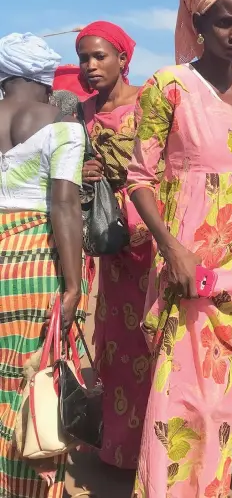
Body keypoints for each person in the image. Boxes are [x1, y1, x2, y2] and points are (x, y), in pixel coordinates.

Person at [127, 0, 232, 498]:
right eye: (223, 21)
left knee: (221, 402)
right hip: (186, 263)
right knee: (177, 396)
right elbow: (138, 178)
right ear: (197, 22)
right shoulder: (169, 87)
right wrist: (174, 251)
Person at [0, 33, 87, 498]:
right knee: (34, 378)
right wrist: (72, 286)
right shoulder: (62, 125)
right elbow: (64, 206)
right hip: (34, 264)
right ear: (45, 76)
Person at [75, 20, 153, 470]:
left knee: (152, 340)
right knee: (114, 345)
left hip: (152, 237)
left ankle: (149, 450)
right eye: (85, 57)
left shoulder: (149, 102)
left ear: (123, 59)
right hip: (112, 241)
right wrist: (84, 170)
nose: (90, 66)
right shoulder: (81, 113)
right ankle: (117, 449)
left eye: (100, 56)